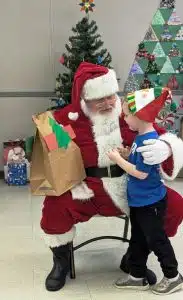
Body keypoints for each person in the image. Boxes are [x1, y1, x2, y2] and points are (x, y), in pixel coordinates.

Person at [40, 62, 183, 292]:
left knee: (174, 204)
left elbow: (162, 135)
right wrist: (50, 137)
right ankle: (61, 261)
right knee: (54, 207)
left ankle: (134, 259)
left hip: (131, 186)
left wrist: (166, 148)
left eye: (111, 97)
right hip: (87, 187)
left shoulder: (129, 113)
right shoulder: (67, 119)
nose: (108, 103)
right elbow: (52, 153)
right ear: (84, 99)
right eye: (100, 98)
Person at [107, 88, 183, 295]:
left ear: (140, 116)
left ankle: (173, 276)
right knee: (138, 240)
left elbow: (140, 173)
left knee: (157, 240)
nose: (124, 117)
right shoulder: (139, 138)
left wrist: (118, 160)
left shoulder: (149, 141)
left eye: (127, 114)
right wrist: (126, 153)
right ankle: (137, 276)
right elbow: (138, 161)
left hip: (151, 204)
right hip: (139, 202)